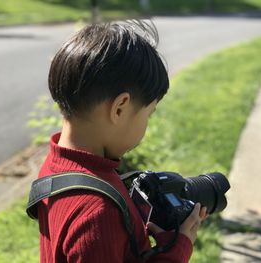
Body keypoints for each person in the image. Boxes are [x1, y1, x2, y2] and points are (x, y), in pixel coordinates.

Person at [36, 20, 207, 263]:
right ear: (120, 108)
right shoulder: (97, 215)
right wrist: (176, 253)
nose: (146, 124)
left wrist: (130, 230)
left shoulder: (58, 167)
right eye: (148, 114)